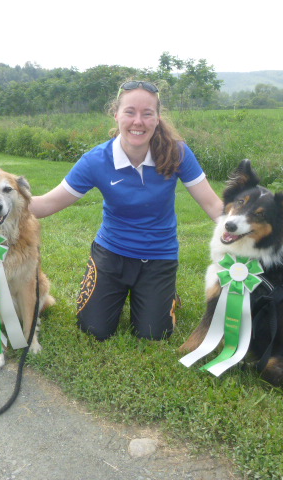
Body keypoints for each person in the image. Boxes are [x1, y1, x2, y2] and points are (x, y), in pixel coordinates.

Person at [30, 80, 223, 341]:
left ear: (157, 118)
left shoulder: (177, 152)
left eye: (147, 113)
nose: (138, 121)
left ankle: (167, 296)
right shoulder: (95, 161)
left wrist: (242, 232)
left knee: (154, 334)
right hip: (112, 254)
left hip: (159, 255)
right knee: (94, 329)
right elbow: (46, 204)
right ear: (116, 114)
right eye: (130, 112)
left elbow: (212, 204)